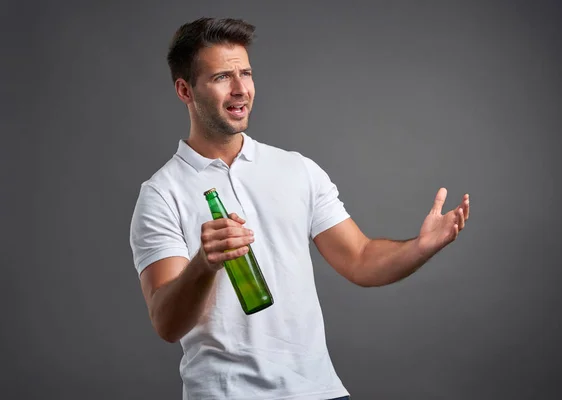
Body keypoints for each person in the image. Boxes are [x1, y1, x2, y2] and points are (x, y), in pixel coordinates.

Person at [129, 17, 470, 400]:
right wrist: (204, 264)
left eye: (246, 73)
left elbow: (360, 258)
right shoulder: (161, 193)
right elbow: (166, 322)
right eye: (222, 77)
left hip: (319, 391)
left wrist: (420, 247)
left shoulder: (297, 169)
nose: (241, 89)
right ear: (185, 90)